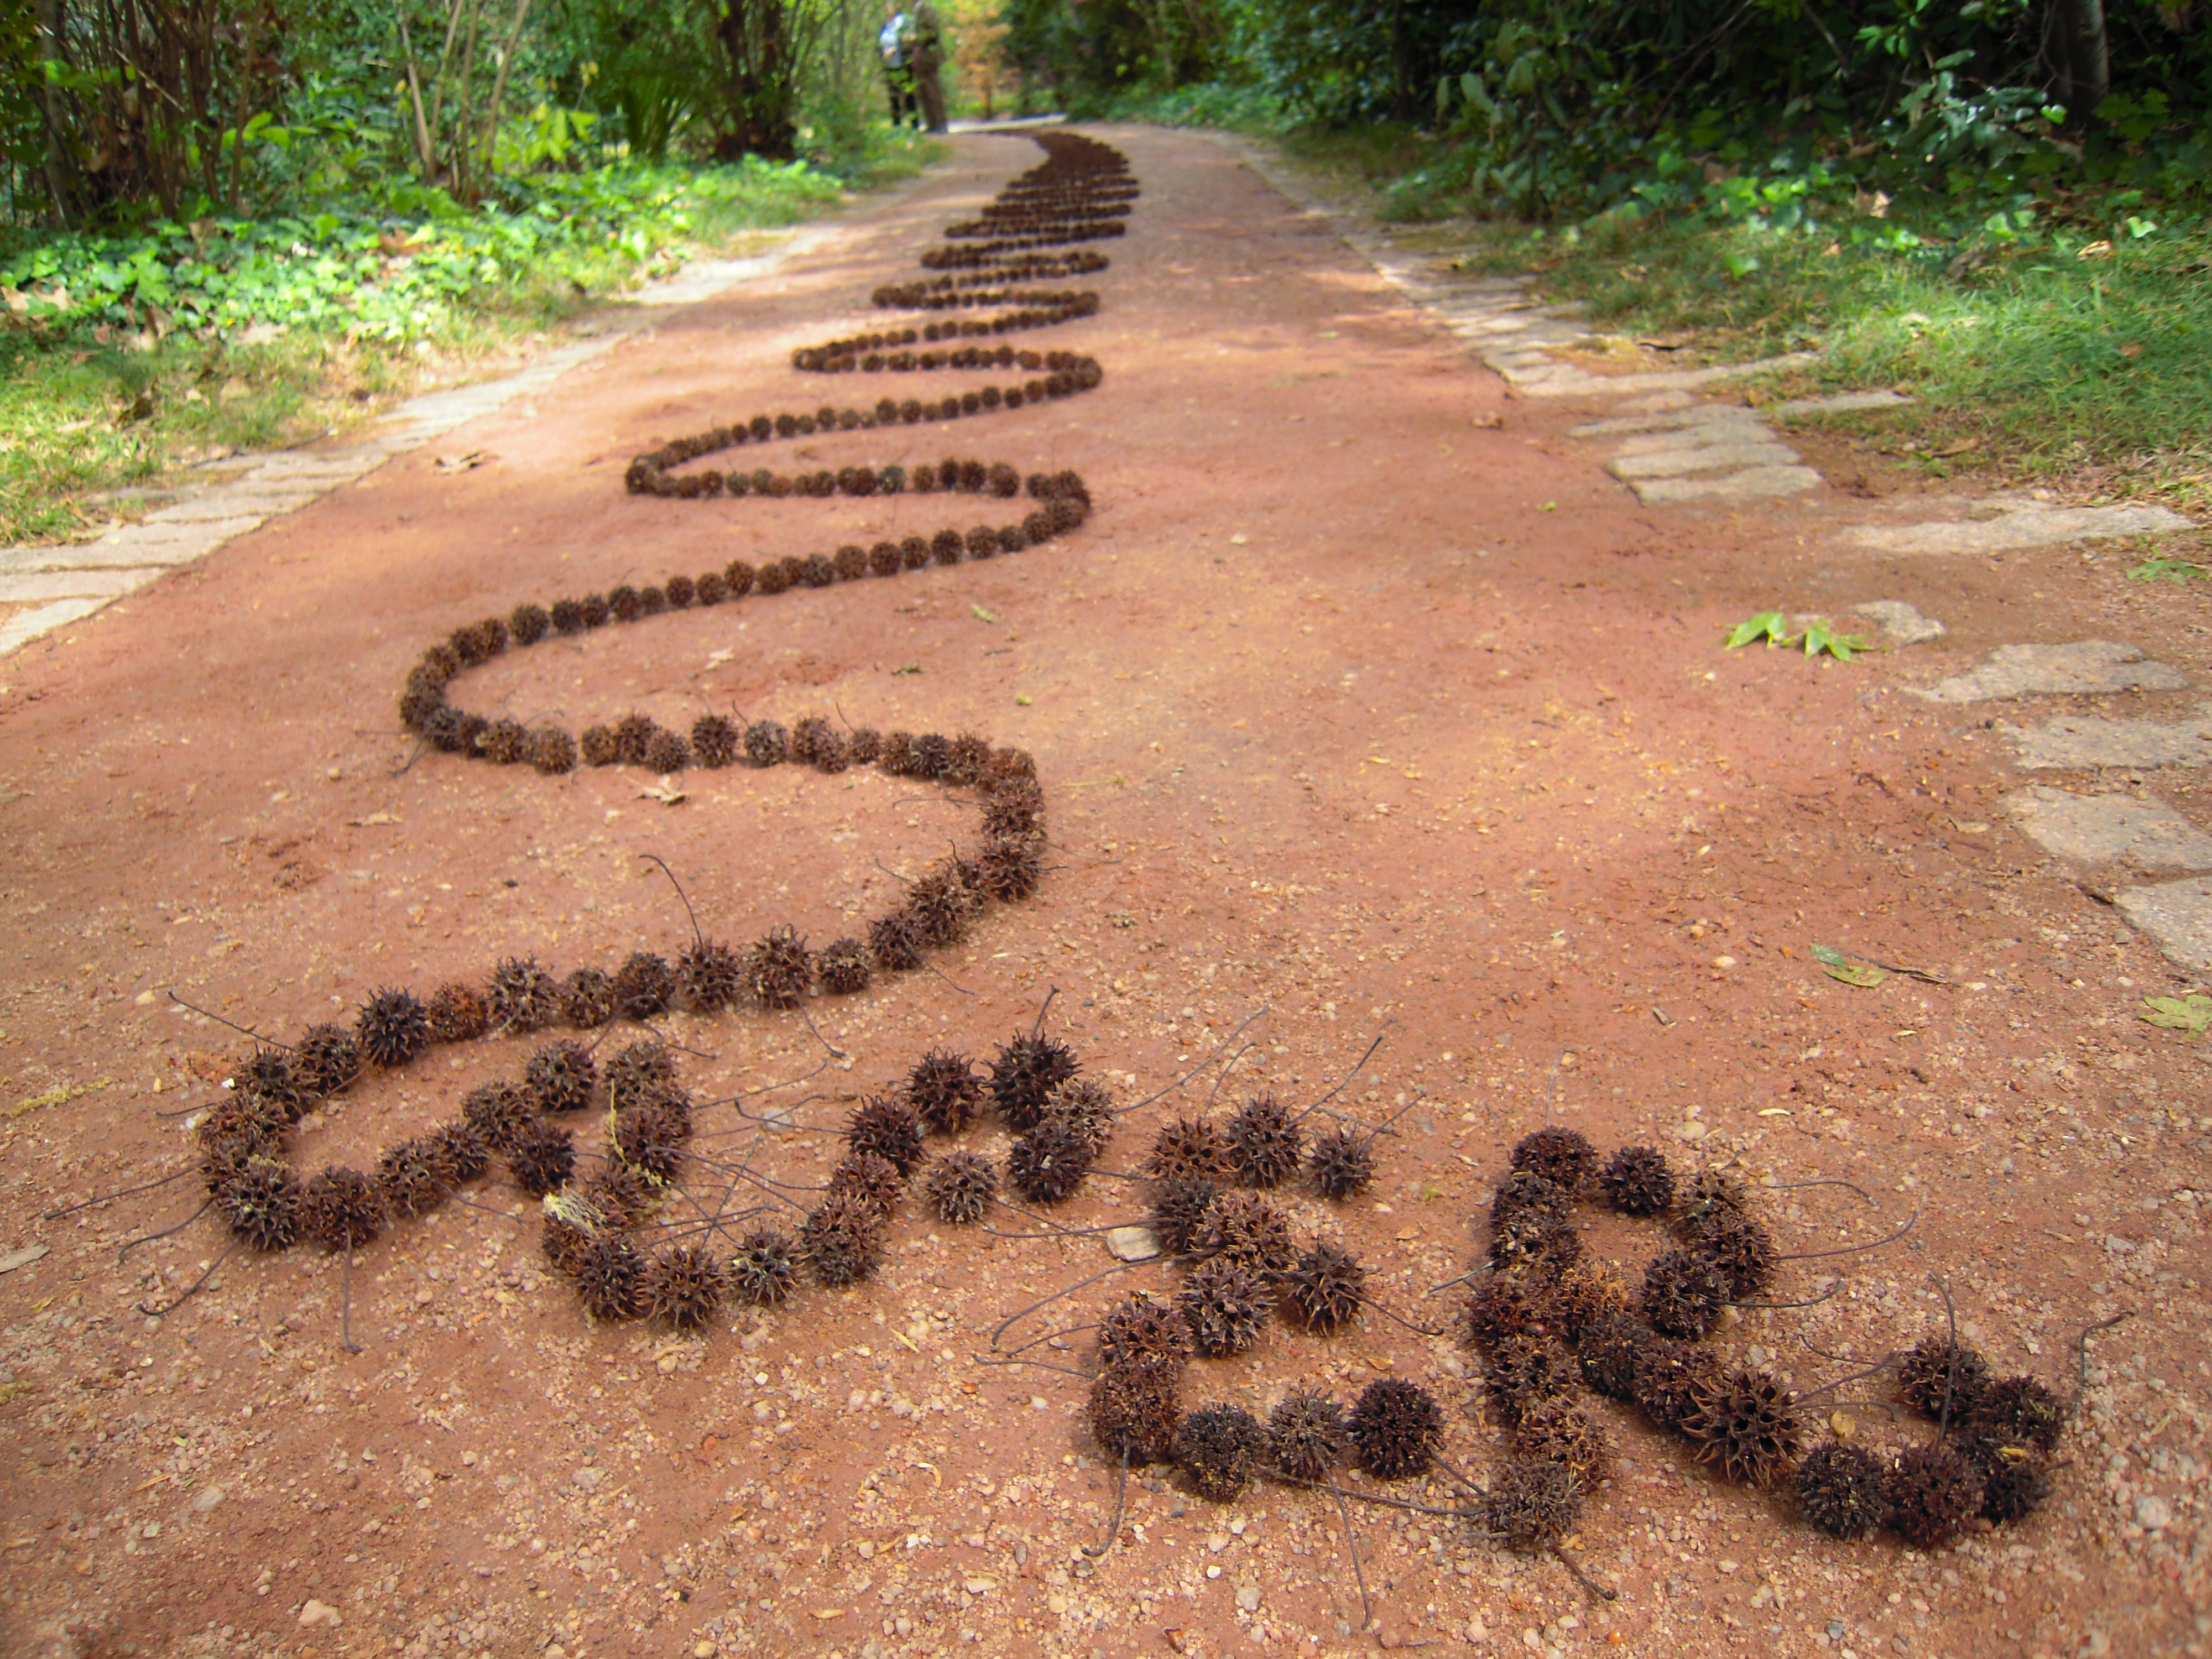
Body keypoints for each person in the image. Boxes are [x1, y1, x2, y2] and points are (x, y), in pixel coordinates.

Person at [910, 2, 947, 133]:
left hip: (929, 56)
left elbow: (932, 30)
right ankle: (932, 124)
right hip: (922, 57)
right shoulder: (916, 9)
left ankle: (939, 124)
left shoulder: (925, 6)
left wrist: (918, 40)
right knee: (924, 90)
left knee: (932, 90)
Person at [880, 8, 917, 128]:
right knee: (893, 96)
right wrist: (883, 55)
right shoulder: (883, 26)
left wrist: (896, 48)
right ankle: (897, 124)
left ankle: (914, 124)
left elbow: (911, 39)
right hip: (889, 66)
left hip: (903, 64)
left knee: (908, 94)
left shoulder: (903, 23)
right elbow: (878, 45)